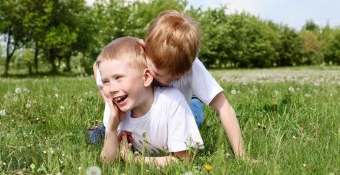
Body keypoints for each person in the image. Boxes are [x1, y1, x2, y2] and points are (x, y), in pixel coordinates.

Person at [91, 10, 245, 158]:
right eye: (154, 71)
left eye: (172, 78)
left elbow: (223, 107)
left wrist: (241, 155)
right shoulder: (140, 57)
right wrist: (113, 111)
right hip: (143, 112)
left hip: (184, 105)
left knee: (193, 118)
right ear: (145, 47)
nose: (160, 79)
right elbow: (98, 68)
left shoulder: (191, 67)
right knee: (107, 133)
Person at [97, 37, 203, 166]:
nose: (112, 89)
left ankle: (196, 101)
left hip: (188, 105)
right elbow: (107, 163)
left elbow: (183, 159)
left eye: (118, 78)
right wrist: (112, 130)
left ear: (146, 78)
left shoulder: (172, 102)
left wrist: (134, 160)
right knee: (97, 137)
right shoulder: (115, 109)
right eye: (105, 82)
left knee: (195, 113)